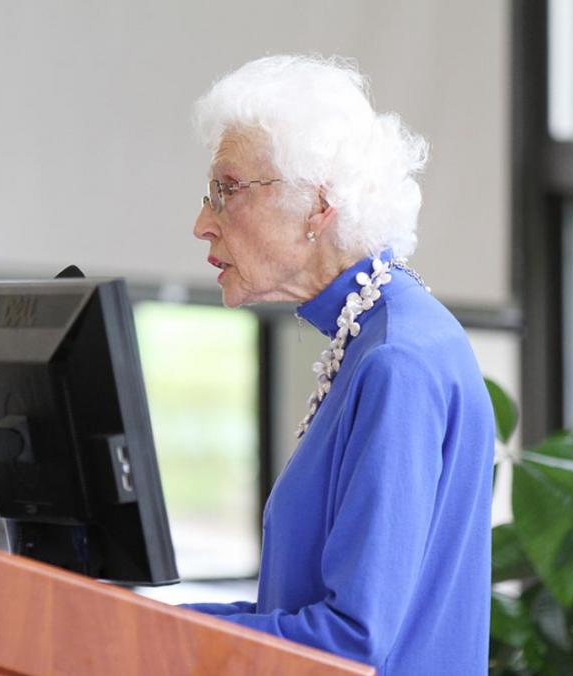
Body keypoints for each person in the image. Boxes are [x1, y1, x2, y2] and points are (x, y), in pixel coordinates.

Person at [185, 55, 495, 676]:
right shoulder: (381, 333)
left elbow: (348, 642)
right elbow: (304, 611)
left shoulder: (396, 362)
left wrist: (147, 633)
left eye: (226, 191)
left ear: (318, 204)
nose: (202, 225)